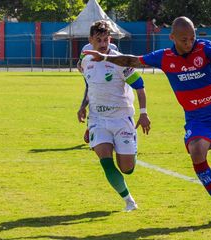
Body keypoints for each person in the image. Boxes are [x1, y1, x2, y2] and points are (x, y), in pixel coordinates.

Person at [85, 16, 211, 220]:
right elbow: (132, 60)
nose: (189, 43)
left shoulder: (204, 48)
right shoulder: (164, 57)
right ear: (172, 37)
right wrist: (105, 58)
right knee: (197, 152)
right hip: (196, 116)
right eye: (184, 39)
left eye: (192, 38)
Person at [78, 20, 151, 211]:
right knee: (105, 160)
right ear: (91, 40)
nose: (103, 43)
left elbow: (140, 87)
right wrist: (83, 107)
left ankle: (131, 150)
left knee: (127, 168)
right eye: (99, 39)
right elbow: (90, 87)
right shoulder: (86, 61)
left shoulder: (120, 61)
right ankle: (129, 201)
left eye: (106, 39)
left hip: (121, 118)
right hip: (97, 120)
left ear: (110, 39)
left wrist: (143, 114)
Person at [77, 42, 119, 143]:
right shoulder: (86, 47)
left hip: (110, 78)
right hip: (93, 76)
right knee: (94, 99)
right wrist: (85, 70)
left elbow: (118, 62)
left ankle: (113, 133)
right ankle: (91, 128)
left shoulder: (113, 47)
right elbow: (79, 63)